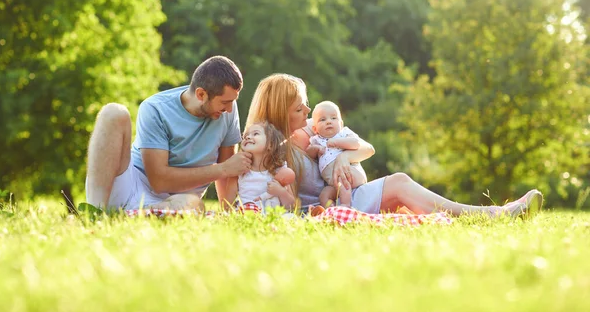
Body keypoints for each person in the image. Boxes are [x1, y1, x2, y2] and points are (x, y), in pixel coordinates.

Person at [245, 73, 544, 217]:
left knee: (400, 182)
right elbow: (253, 192)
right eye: (299, 108)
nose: (308, 113)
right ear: (279, 109)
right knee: (400, 185)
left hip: (350, 193)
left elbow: (364, 148)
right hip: (332, 206)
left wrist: (343, 159)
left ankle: (491, 215)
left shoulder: (311, 132)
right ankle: (493, 216)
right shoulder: (268, 146)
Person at [85, 56, 253, 211]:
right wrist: (222, 169)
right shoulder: (155, 108)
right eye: (225, 102)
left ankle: (142, 213)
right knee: (113, 112)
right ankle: (95, 211)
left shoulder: (227, 110)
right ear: (201, 94)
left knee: (194, 205)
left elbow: (228, 171)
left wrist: (228, 210)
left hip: (179, 200)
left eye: (233, 101)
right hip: (131, 185)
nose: (229, 109)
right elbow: (159, 181)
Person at [307, 101, 368, 208]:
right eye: (322, 119)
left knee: (341, 178)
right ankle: (332, 210)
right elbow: (309, 153)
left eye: (333, 118)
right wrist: (316, 149)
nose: (329, 122)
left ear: (341, 123)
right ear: (315, 129)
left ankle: (345, 205)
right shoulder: (316, 140)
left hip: (350, 173)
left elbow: (356, 143)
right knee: (324, 195)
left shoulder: (343, 133)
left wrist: (337, 142)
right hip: (333, 183)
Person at [224, 122, 296, 213]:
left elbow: (291, 206)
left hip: (271, 217)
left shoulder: (279, 171)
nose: (248, 137)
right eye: (245, 135)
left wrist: (281, 192)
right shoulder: (239, 171)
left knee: (289, 217)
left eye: (255, 133)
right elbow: (227, 206)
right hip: (247, 215)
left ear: (270, 144)